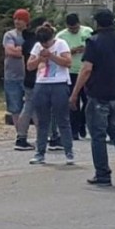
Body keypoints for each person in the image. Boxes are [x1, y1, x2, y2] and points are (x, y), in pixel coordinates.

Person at [69, 8, 115, 186]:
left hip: (99, 94)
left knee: (98, 135)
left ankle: (102, 173)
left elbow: (86, 69)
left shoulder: (94, 42)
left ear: (97, 23)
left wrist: (74, 93)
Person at [27, 24, 74, 165]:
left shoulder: (61, 44)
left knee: (62, 119)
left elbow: (68, 62)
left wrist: (52, 56)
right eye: (42, 43)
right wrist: (40, 59)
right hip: (42, 83)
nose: (44, 45)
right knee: (42, 121)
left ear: (51, 38)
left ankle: (69, 151)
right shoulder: (37, 47)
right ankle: (40, 152)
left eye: (46, 42)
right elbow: (29, 66)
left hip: (59, 83)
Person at [56, 13, 93, 140]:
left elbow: (94, 46)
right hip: (70, 72)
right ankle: (74, 129)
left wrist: (86, 49)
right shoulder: (61, 36)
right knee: (73, 102)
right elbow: (57, 53)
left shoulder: (88, 32)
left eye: (76, 28)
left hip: (85, 71)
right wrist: (71, 51)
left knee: (88, 101)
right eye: (71, 29)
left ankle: (83, 122)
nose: (74, 30)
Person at [14, 16, 42, 151]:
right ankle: (22, 137)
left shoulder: (27, 41)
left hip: (29, 79)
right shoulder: (36, 43)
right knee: (30, 108)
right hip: (36, 78)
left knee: (31, 108)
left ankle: (26, 136)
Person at [3, 9, 28, 131]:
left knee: (31, 106)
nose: (17, 21)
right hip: (12, 76)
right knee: (15, 107)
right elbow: (10, 51)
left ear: (26, 21)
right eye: (15, 19)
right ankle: (20, 135)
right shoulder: (9, 35)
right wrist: (23, 50)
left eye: (20, 19)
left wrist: (20, 49)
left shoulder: (30, 35)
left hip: (28, 76)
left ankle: (41, 135)